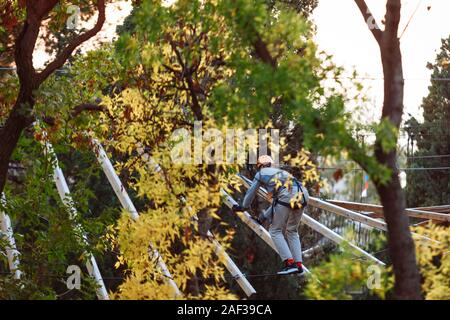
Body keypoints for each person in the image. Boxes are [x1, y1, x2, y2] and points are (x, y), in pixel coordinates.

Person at [233, 155, 309, 275]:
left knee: (275, 230)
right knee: (292, 231)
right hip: (303, 194)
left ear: (260, 166)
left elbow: (251, 192)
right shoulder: (281, 173)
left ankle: (290, 263)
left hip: (288, 195)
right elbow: (277, 202)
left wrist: (243, 207)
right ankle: (298, 265)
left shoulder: (261, 173)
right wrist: (262, 218)